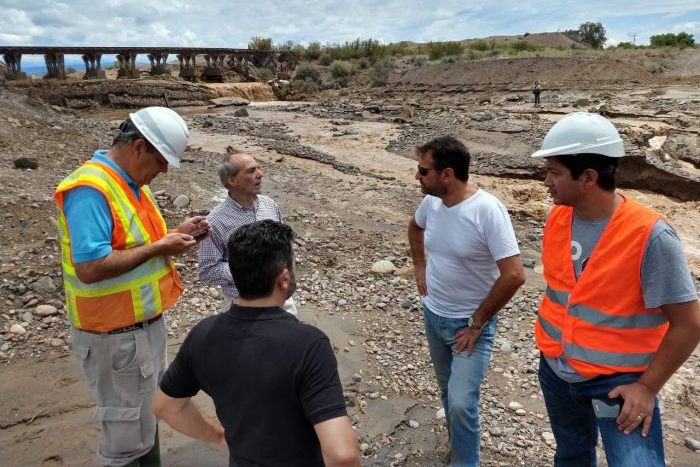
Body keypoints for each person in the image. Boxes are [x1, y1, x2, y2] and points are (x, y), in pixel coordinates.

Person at [531, 112, 700, 466]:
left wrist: (647, 387)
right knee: (573, 456)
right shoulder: (557, 217)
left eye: (555, 172)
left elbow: (689, 324)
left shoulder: (650, 236)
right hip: (557, 371)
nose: (546, 181)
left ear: (588, 177)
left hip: (617, 384)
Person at [55, 106, 211, 466]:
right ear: (139, 147)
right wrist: (160, 247)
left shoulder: (131, 184)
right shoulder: (90, 189)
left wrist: (176, 234)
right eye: (162, 160)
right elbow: (90, 267)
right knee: (124, 444)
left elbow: (135, 243)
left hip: (140, 331)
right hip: (114, 339)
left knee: (145, 421)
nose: (165, 170)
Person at [154, 220, 360, 467]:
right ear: (283, 279)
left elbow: (166, 407)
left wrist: (220, 437)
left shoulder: (203, 335)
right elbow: (342, 456)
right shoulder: (309, 344)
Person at [407, 136, 526, 466]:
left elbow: (514, 274)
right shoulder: (431, 203)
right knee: (448, 394)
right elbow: (415, 229)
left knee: (461, 402)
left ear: (447, 174)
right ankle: (458, 446)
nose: (418, 177)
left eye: (422, 171)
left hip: (469, 325)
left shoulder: (487, 210)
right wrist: (420, 266)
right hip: (434, 315)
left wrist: (478, 322)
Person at [198, 149, 298, 314]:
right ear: (232, 180)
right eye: (251, 171)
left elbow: (286, 246)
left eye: (258, 168)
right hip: (243, 304)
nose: (260, 174)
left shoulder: (270, 205)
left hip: (281, 297)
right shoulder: (215, 221)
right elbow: (207, 270)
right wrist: (251, 269)